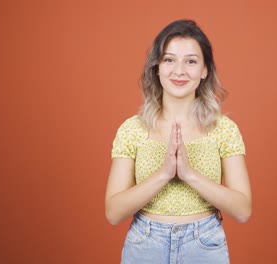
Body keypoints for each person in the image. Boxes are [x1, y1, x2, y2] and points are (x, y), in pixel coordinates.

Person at [105, 19, 252, 264]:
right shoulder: (133, 129)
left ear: (205, 70)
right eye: (169, 60)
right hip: (144, 246)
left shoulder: (224, 129)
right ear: (157, 68)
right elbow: (113, 212)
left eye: (191, 61)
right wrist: (163, 174)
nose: (179, 71)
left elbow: (243, 210)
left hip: (204, 247)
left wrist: (188, 173)